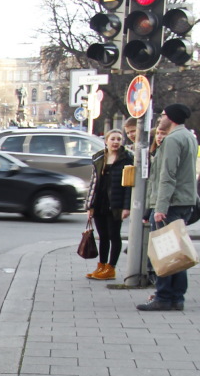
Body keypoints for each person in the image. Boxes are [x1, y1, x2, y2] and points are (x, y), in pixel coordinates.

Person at [137, 104, 198, 311]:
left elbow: (167, 176)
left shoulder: (172, 139)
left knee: (164, 252)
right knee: (176, 252)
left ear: (171, 118)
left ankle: (163, 297)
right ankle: (176, 298)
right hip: (183, 201)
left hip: (170, 203)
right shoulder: (189, 137)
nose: (160, 118)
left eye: (163, 115)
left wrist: (160, 207)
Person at [85, 129, 133, 280]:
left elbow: (129, 186)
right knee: (103, 236)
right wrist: (90, 205)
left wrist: (127, 207)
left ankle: (111, 268)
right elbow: (93, 183)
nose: (116, 142)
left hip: (116, 203)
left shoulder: (127, 159)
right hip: (100, 202)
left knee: (114, 235)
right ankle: (102, 266)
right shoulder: (99, 157)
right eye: (113, 139)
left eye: (119, 139)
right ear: (106, 141)